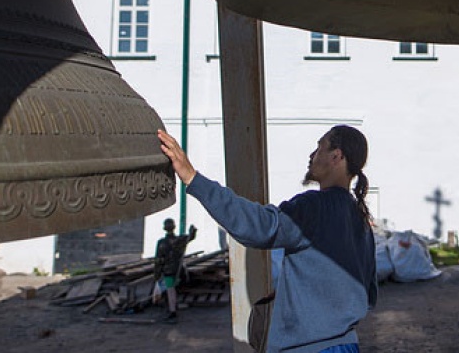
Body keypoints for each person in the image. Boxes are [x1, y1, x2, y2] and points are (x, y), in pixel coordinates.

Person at [158, 125, 377, 353]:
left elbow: (260, 227)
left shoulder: (313, 207)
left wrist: (192, 178)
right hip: (348, 345)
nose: (312, 155)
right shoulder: (360, 220)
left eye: (319, 147)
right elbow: (368, 293)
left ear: (336, 156)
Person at [153, 217, 197, 323]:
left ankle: (172, 311)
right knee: (172, 290)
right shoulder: (179, 241)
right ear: (174, 227)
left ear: (164, 228)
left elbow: (158, 260)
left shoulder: (162, 243)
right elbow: (190, 237)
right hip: (178, 270)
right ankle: (173, 309)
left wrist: (156, 275)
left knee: (170, 291)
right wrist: (193, 231)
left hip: (167, 271)